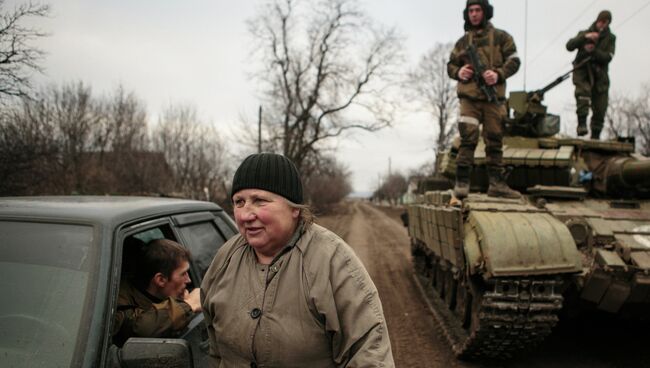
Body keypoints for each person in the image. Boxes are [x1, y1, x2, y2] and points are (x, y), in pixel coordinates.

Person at [201, 153, 394, 367]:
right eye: (239, 202)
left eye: (259, 201)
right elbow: (215, 351)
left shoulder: (333, 261)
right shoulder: (225, 259)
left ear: (294, 209)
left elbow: (369, 353)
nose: (246, 214)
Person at [447, 0, 521, 200]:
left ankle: (496, 184)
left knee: (495, 139)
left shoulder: (502, 37)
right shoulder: (462, 43)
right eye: (470, 10)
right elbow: (450, 66)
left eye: (478, 10)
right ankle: (462, 183)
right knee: (468, 137)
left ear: (485, 12)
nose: (474, 14)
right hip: (470, 98)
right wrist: (458, 71)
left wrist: (498, 74)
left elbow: (514, 61)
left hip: (493, 98)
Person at [112, 238, 202, 346]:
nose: (188, 280)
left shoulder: (169, 293)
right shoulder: (120, 303)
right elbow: (140, 329)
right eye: (183, 274)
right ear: (160, 280)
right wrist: (188, 305)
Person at [566, 10, 616, 140]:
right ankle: (581, 124)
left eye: (605, 22)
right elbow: (569, 46)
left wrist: (594, 51)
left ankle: (595, 136)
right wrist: (586, 38)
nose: (602, 25)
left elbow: (608, 57)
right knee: (583, 94)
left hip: (600, 76)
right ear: (597, 20)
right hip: (583, 72)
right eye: (601, 22)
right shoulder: (584, 33)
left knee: (600, 107)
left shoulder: (610, 39)